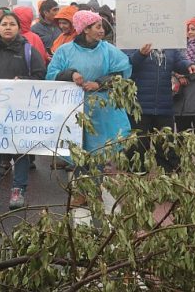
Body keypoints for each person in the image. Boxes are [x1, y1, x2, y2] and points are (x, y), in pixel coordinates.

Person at [46, 10, 132, 206]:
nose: (102, 31)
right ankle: (82, 191)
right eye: (98, 26)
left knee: (99, 151)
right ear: (85, 29)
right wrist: (71, 74)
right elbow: (51, 74)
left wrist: (99, 84)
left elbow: (122, 72)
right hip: (74, 109)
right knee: (77, 150)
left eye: (101, 26)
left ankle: (93, 189)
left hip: (102, 109)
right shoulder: (65, 51)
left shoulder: (108, 50)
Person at [0, 13, 46, 210]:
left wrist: (22, 81)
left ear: (18, 28)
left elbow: (40, 76)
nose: (7, 27)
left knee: (19, 150)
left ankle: (18, 190)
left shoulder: (29, 51)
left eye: (12, 24)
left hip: (20, 112)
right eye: (4, 24)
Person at [126, 42, 195, 171]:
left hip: (164, 106)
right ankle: (136, 183)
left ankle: (168, 181)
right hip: (139, 107)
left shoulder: (168, 45)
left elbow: (179, 61)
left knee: (167, 148)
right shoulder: (132, 41)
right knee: (137, 149)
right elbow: (127, 66)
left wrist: (188, 65)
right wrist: (140, 54)